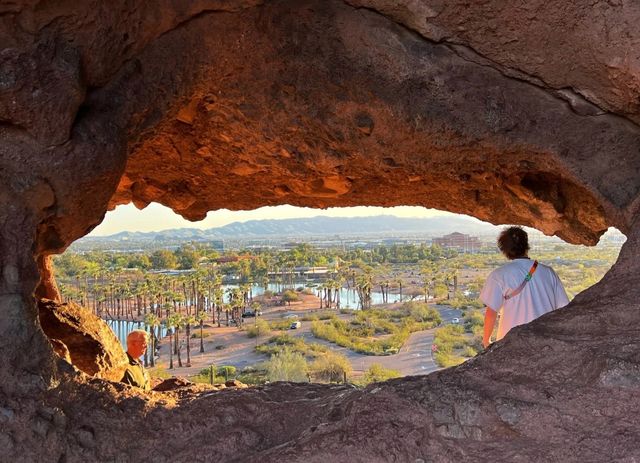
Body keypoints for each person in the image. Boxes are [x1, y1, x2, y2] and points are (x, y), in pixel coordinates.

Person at [481, 226, 569, 348]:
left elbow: (491, 313)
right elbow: (564, 309)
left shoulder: (499, 275)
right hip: (546, 341)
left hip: (511, 345)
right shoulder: (548, 272)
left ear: (504, 249)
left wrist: (486, 342)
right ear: (526, 246)